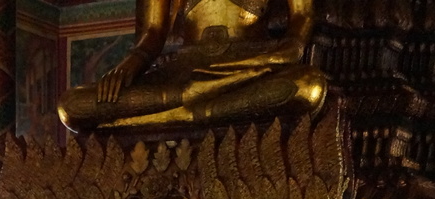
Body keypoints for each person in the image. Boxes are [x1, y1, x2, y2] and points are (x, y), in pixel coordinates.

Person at [56, 0, 326, 132]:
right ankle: (194, 102)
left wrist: (286, 51)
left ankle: (182, 107)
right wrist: (128, 65)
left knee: (308, 86)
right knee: (72, 105)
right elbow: (152, 33)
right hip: (183, 70)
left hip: (248, 64)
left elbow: (303, 16)